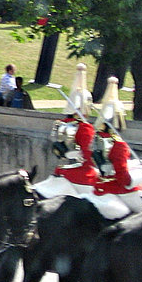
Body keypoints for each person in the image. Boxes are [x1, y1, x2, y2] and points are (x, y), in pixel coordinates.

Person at [90, 76, 142, 214]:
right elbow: (123, 178)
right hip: (117, 188)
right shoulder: (118, 144)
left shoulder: (96, 138)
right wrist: (139, 177)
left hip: (99, 185)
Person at [44, 63, 98, 195]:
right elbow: (88, 155)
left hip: (62, 168)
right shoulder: (85, 128)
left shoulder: (61, 123)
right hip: (83, 174)